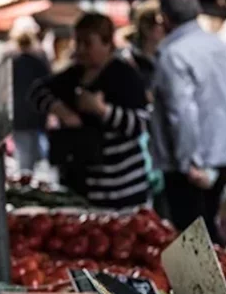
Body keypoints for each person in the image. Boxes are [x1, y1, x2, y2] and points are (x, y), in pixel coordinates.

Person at [30, 12, 151, 209]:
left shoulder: (125, 76)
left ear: (107, 43)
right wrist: (62, 112)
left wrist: (102, 110)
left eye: (88, 43)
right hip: (79, 188)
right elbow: (37, 92)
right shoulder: (72, 74)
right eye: (78, 43)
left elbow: (140, 125)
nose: (80, 50)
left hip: (120, 193)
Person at [149, 0, 226, 243]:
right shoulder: (222, 47)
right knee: (209, 235)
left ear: (165, 18)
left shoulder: (174, 54)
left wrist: (189, 161)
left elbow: (182, 113)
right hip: (222, 155)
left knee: (192, 241)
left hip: (190, 164)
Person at [9, 31, 52, 172]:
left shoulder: (12, 63)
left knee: (23, 151)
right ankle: (28, 175)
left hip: (17, 112)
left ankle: (25, 176)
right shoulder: (38, 62)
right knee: (32, 149)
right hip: (35, 112)